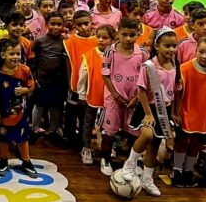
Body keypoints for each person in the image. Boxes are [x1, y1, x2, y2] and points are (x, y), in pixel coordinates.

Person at [121, 28, 179, 197]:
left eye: (174, 46)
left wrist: (174, 112)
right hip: (149, 108)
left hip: (166, 110)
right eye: (167, 46)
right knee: (147, 135)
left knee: (155, 145)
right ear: (157, 45)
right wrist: (148, 113)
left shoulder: (176, 65)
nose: (171, 50)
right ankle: (130, 164)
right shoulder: (149, 66)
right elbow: (141, 91)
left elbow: (176, 90)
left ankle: (147, 178)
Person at [171, 37, 206, 188]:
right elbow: (177, 93)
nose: (204, 56)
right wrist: (175, 113)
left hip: (205, 112)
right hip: (186, 110)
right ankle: (176, 170)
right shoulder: (184, 68)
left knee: (196, 142)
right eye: (201, 52)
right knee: (183, 141)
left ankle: (188, 171)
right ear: (196, 50)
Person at [99, 18, 149, 176]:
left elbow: (145, 77)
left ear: (138, 34)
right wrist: (115, 94)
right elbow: (105, 75)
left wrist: (136, 98)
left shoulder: (142, 53)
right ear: (118, 34)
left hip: (134, 100)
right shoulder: (110, 51)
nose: (128, 38)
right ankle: (105, 159)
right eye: (124, 34)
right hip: (114, 99)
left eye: (132, 35)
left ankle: (131, 162)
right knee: (109, 132)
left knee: (133, 132)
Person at [0, 39, 37, 177]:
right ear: (3, 55)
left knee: (23, 138)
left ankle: (27, 161)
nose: (16, 57)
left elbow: (31, 87)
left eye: (18, 53)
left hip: (21, 113)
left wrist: (24, 90)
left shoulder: (25, 70)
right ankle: (3, 160)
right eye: (12, 54)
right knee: (3, 138)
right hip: (3, 113)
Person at [76, 25, 116, 164]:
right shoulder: (89, 55)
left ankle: (108, 146)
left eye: (105, 38)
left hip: (111, 97)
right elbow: (83, 75)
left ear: (112, 39)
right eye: (98, 37)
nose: (100, 40)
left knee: (109, 124)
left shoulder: (115, 55)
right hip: (93, 94)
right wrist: (81, 94)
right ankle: (86, 148)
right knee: (88, 122)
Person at [62, 11, 98, 149]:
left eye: (86, 23)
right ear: (74, 25)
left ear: (91, 23)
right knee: (71, 111)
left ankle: (84, 141)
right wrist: (70, 82)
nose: (83, 27)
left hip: (92, 84)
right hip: (75, 83)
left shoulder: (97, 40)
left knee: (86, 114)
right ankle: (69, 138)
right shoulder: (70, 41)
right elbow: (68, 63)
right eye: (79, 25)